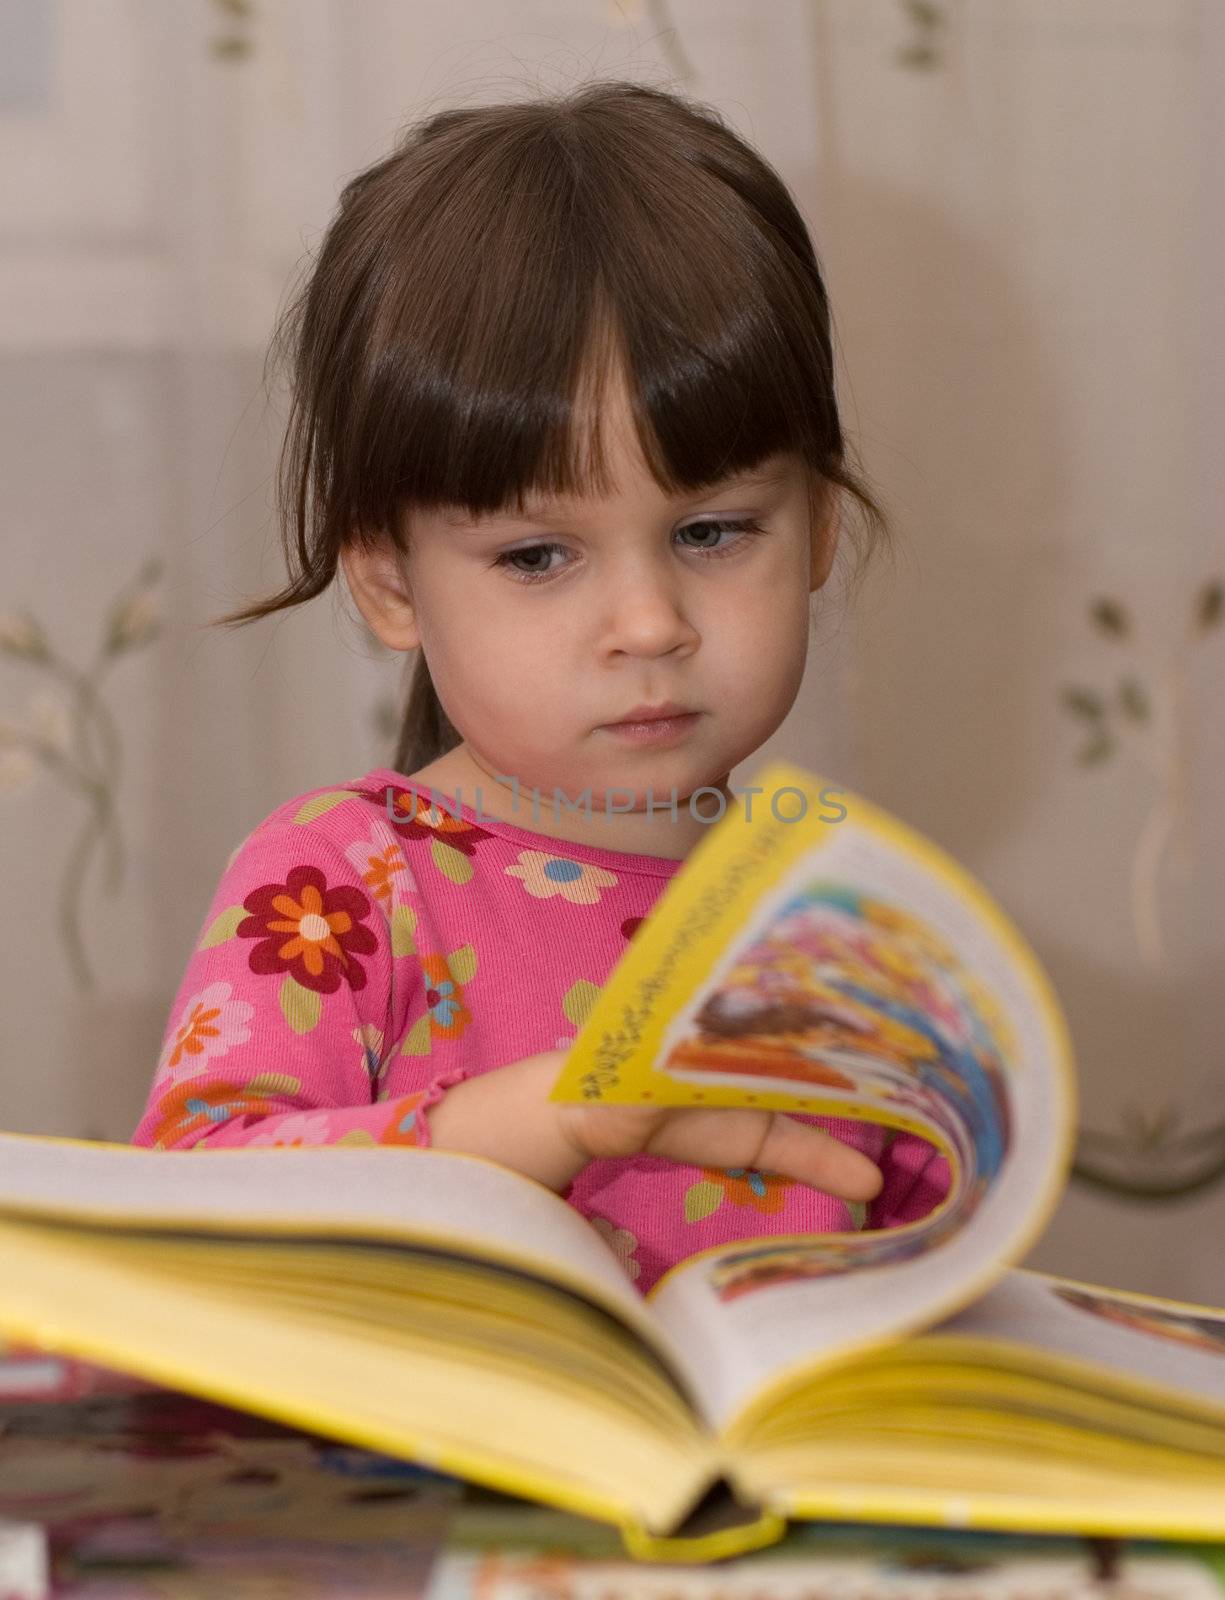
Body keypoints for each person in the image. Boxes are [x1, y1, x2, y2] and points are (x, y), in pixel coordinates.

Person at [131, 79, 949, 1293]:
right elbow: (181, 1212)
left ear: (819, 527)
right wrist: (541, 1124)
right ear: (391, 583)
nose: (648, 624)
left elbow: (923, 1281)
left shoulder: (840, 927)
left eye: (714, 531)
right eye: (536, 556)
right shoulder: (342, 881)